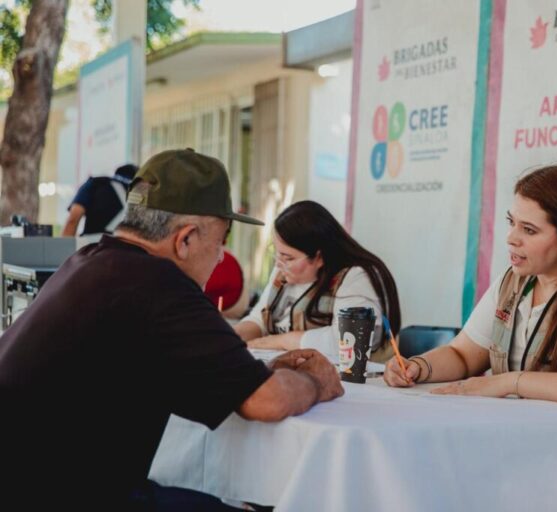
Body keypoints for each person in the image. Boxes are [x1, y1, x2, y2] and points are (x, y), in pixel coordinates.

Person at [0, 149, 344, 510]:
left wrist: (260, 373)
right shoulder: (161, 286)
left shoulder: (86, 262)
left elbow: (206, 377)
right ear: (186, 239)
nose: (220, 257)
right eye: (221, 241)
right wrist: (317, 381)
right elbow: (267, 400)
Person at [384, 164, 557, 411]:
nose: (511, 239)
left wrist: (509, 383)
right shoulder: (513, 283)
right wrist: (419, 366)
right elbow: (463, 355)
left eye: (529, 230)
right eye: (511, 223)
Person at [234, 200, 401, 363]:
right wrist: (230, 337)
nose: (278, 263)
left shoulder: (356, 277)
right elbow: (259, 319)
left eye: (288, 258)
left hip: (355, 382)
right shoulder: (284, 272)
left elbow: (351, 341)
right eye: (277, 253)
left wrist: (280, 341)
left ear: (319, 257)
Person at [62, 163, 138, 236]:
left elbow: (73, 219)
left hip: (94, 245)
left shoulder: (96, 184)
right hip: (128, 247)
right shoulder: (140, 194)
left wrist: (66, 247)